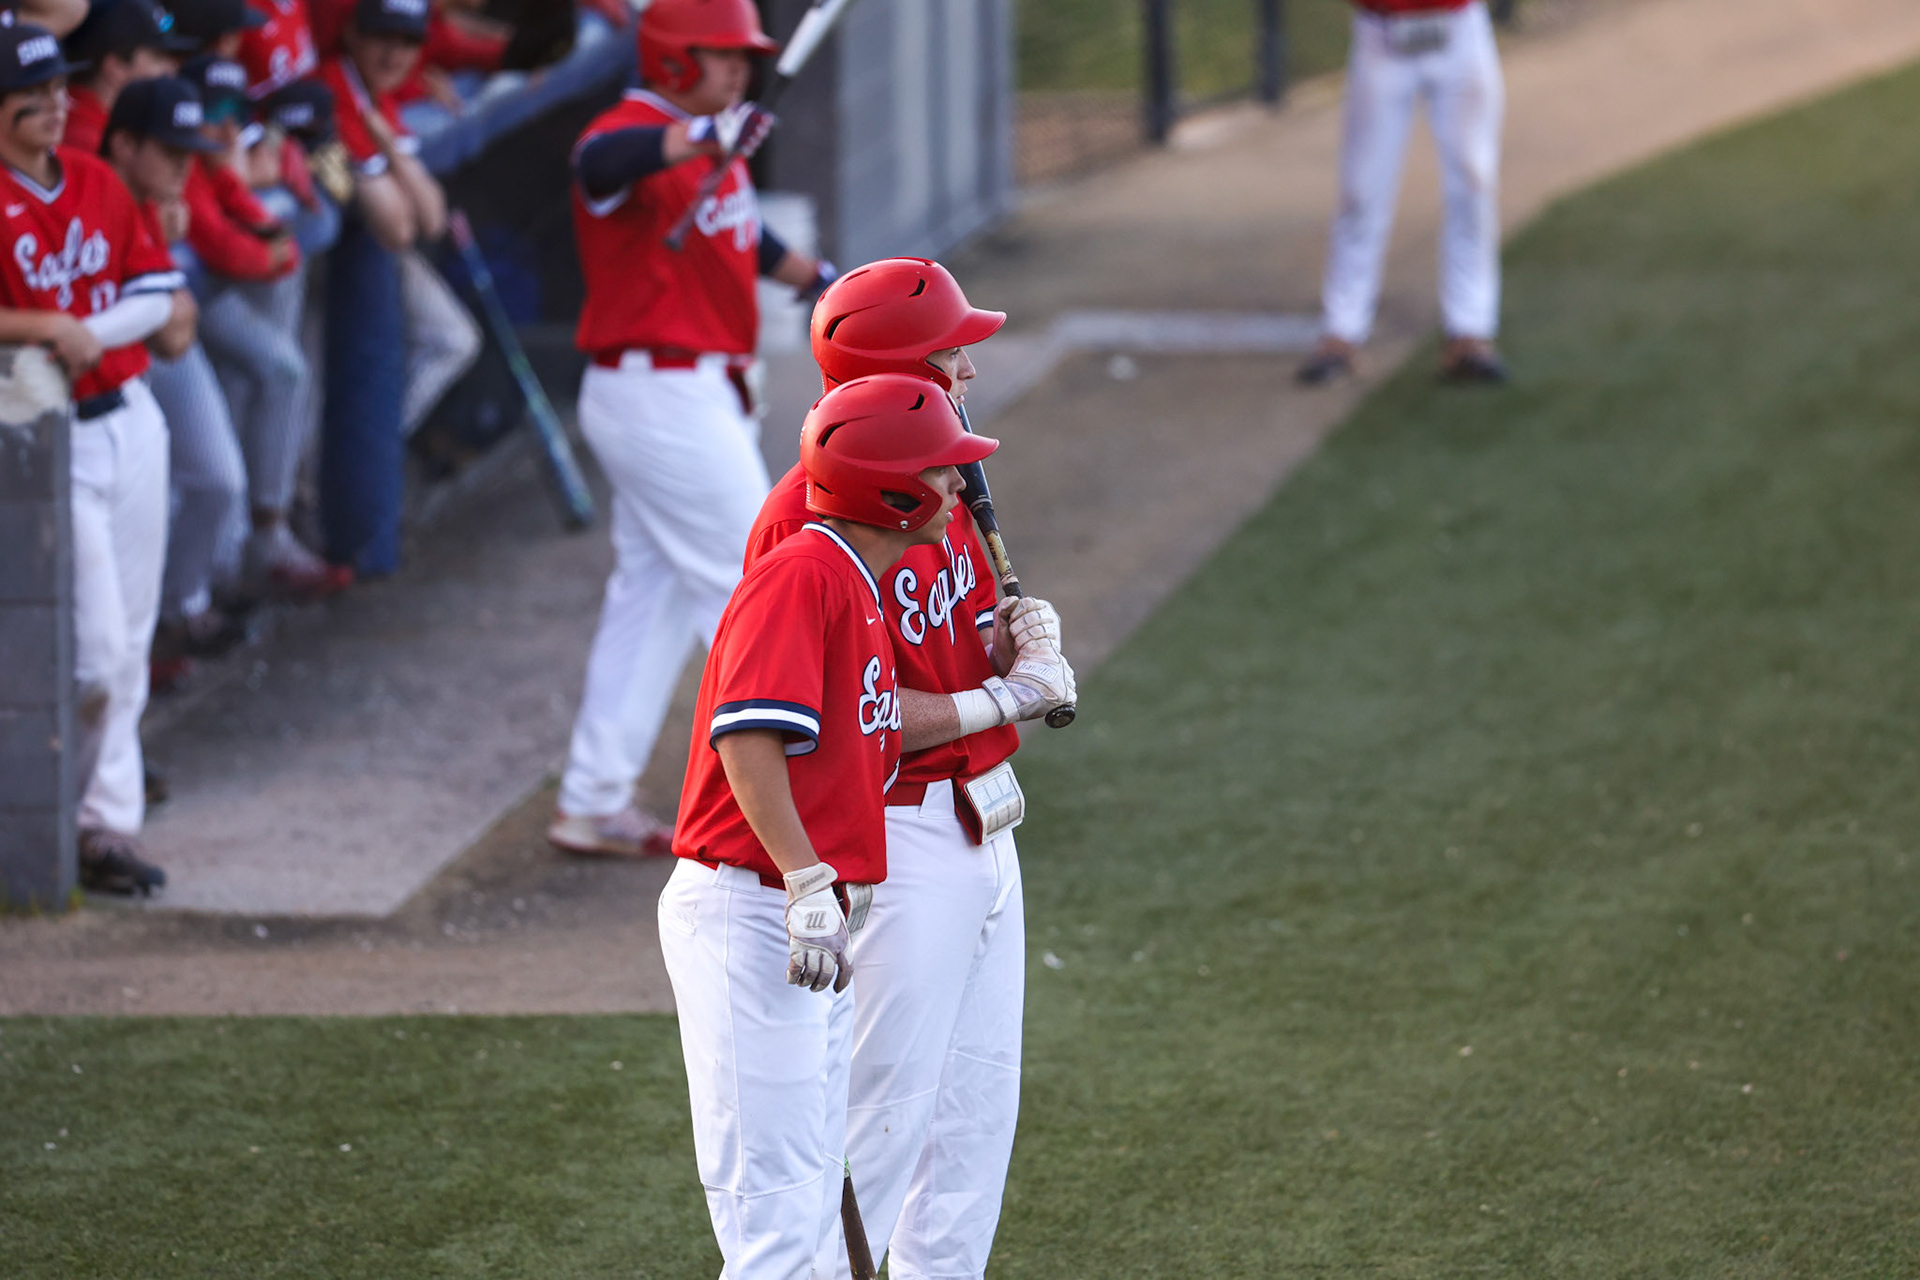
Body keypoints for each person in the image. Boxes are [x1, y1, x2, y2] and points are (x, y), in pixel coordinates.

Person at [747, 258, 1078, 1279]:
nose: (970, 366)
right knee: (871, 1140)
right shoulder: (813, 523)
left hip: (984, 832)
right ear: (894, 370)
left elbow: (952, 641)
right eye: (950, 352)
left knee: (973, 1128)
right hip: (895, 841)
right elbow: (854, 722)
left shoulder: (942, 477)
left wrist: (1013, 643)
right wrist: (1005, 697)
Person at [660, 373, 997, 1280]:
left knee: (810, 1214)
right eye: (944, 470)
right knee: (775, 1225)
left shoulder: (858, 580)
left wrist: (998, 673)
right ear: (891, 492)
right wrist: (807, 879)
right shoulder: (804, 576)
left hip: (803, 915)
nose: (962, 487)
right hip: (753, 906)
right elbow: (749, 739)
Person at [548, 0, 832, 858]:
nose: (739, 71)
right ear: (674, 58)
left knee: (653, 599)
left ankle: (592, 799)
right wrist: (700, 140)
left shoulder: (718, 138)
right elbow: (597, 164)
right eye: (722, 56)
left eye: (746, 57)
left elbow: (736, 240)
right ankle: (805, 795)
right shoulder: (639, 133)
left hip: (698, 393)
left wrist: (819, 280)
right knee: (756, 590)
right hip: (656, 396)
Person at [0, 21, 189, 893]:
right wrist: (44, 327)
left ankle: (106, 827)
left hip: (131, 419)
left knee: (131, 641)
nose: (53, 103)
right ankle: (67, 821)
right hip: (51, 446)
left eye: (56, 88)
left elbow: (158, 297)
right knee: (98, 652)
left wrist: (80, 333)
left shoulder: (97, 180)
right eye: (31, 93)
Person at [1296, 0, 1507, 386]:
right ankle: (1341, 331)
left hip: (1458, 27)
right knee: (1360, 189)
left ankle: (1470, 330)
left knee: (1474, 181)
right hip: (1382, 32)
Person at [58, 0, 192, 153]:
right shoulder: (85, 140)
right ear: (115, 67)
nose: (171, 71)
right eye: (158, 58)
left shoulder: (112, 127)